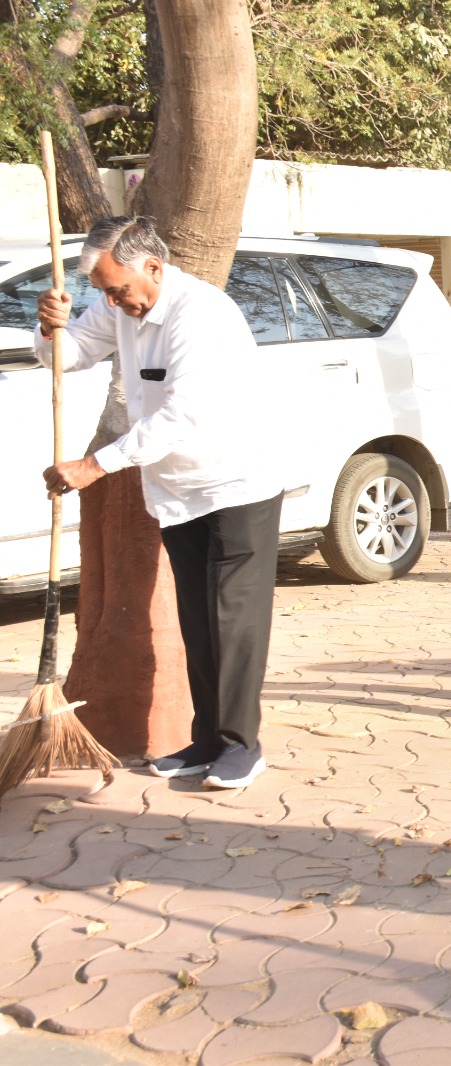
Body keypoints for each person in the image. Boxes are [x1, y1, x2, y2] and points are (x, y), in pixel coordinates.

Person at [36, 215, 283, 790]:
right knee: (198, 616)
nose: (113, 301)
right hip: (176, 488)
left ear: (153, 266)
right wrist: (51, 328)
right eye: (102, 291)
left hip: (235, 482)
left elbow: (183, 413)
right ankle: (205, 740)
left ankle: (242, 747)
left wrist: (94, 465)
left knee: (233, 619)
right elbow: (68, 357)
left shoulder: (202, 313)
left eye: (118, 288)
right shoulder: (119, 303)